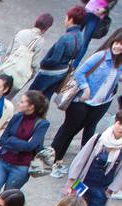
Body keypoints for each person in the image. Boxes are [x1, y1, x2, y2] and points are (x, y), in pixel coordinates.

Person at [50, 29, 122, 177]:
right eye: (117, 43)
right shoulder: (101, 56)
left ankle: (82, 165)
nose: (118, 47)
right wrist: (86, 88)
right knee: (69, 130)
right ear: (112, 42)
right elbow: (79, 73)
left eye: (121, 45)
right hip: (82, 102)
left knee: (89, 132)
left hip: (102, 103)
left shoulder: (119, 63)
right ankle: (52, 161)